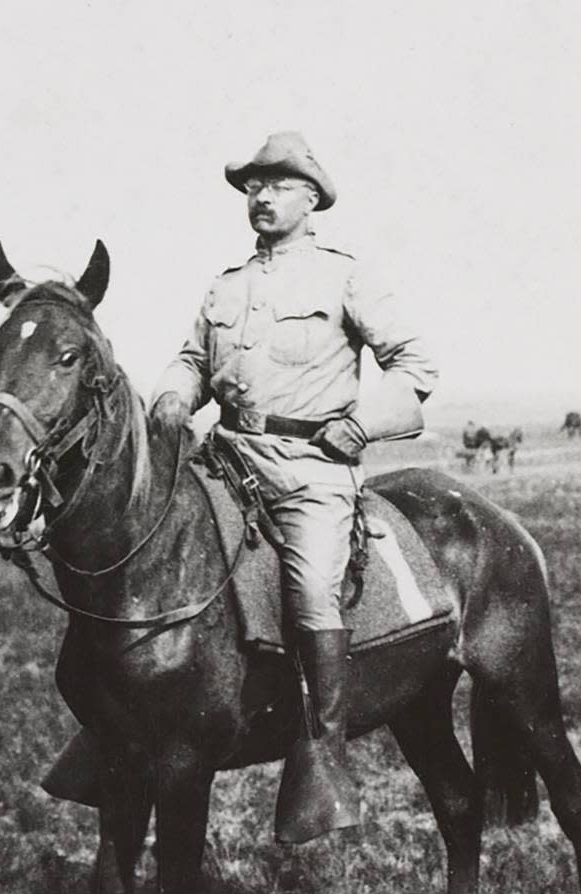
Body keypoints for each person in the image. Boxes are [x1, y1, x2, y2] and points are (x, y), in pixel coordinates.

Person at [149, 130, 439, 843]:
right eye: (252, 186)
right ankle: (128, 725)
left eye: (276, 185)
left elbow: (415, 366)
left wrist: (362, 424)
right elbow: (191, 359)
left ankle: (322, 750)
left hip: (311, 466)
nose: (261, 197)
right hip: (228, 456)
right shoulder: (227, 286)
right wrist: (172, 396)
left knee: (310, 589)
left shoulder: (345, 277)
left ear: (311, 198)